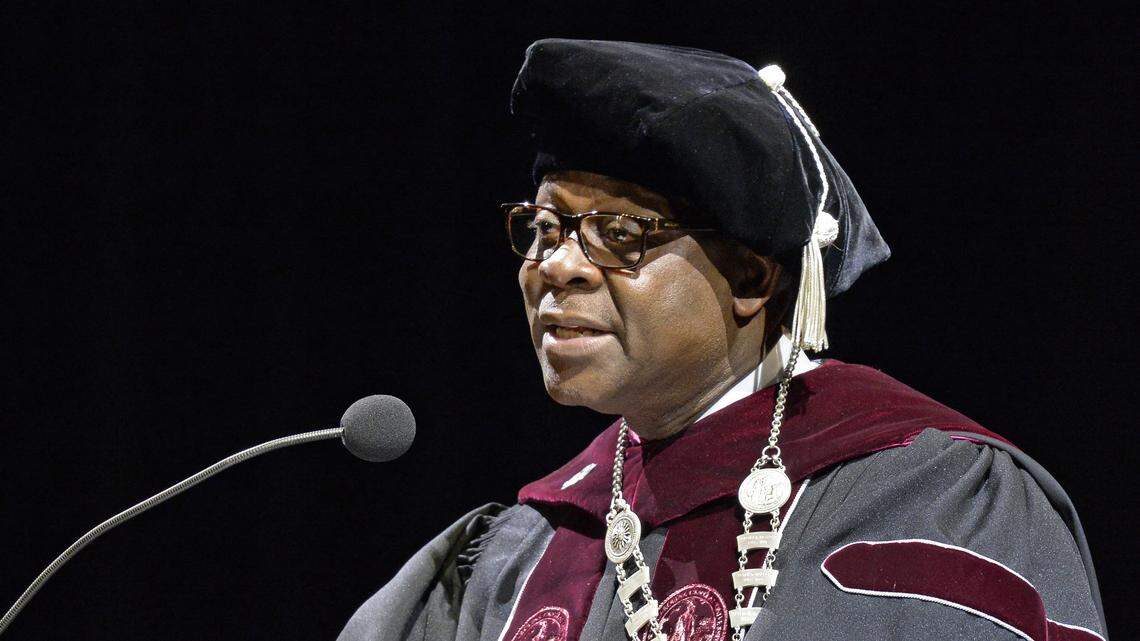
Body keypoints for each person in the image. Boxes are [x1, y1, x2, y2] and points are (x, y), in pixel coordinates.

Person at [338, 39, 1107, 641]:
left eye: (616, 233)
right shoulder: (516, 553)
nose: (558, 267)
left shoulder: (930, 498)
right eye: (543, 230)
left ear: (748, 279)